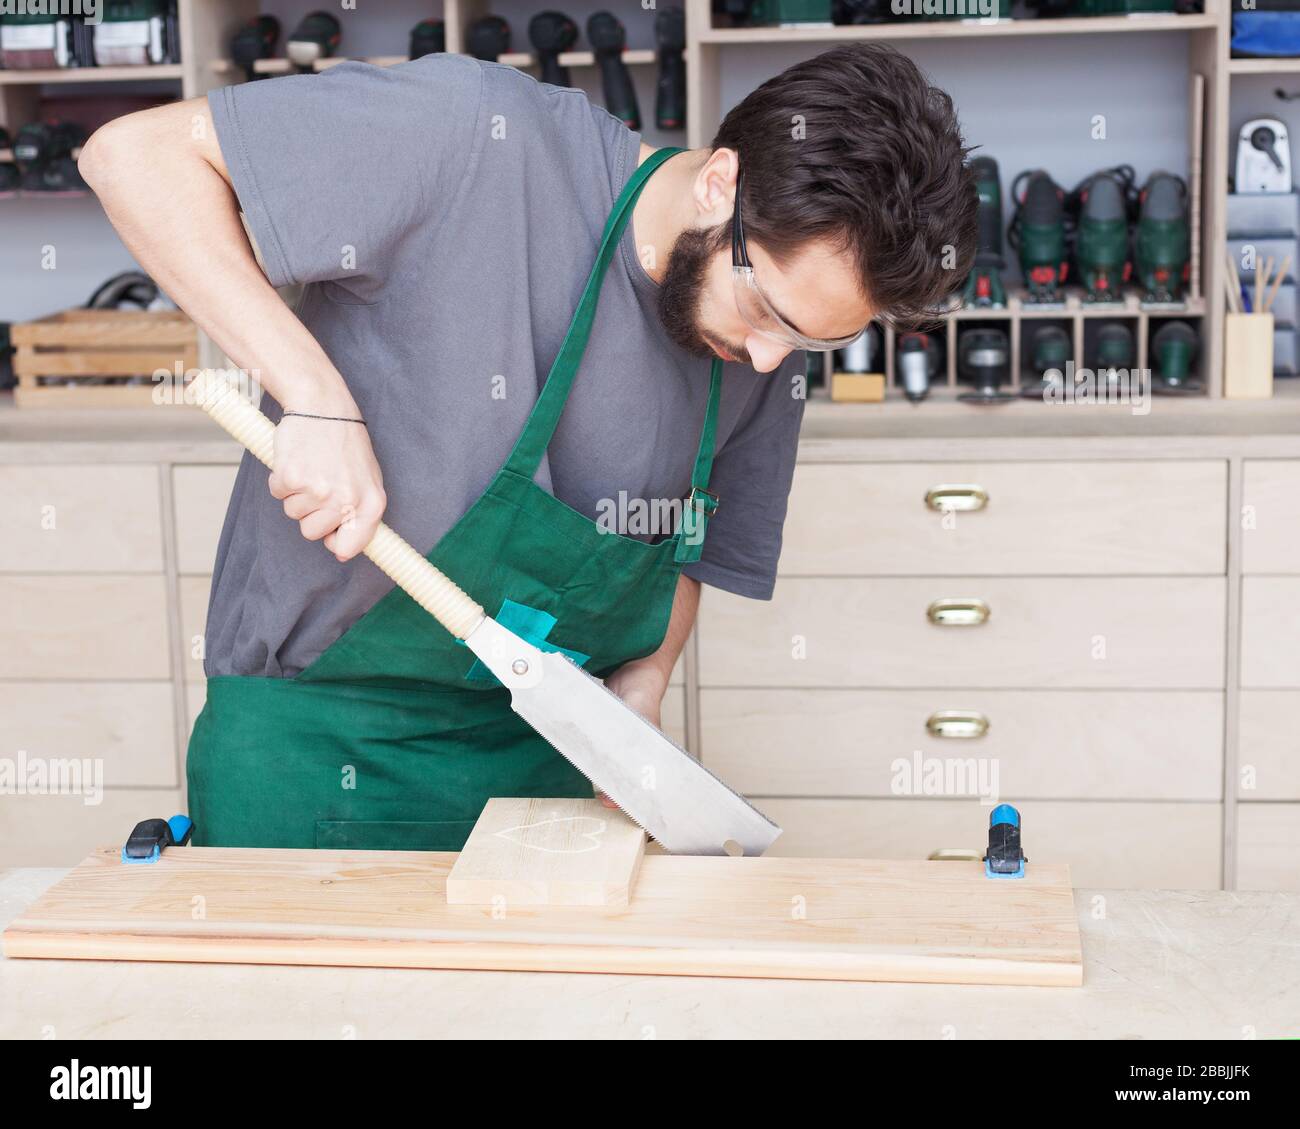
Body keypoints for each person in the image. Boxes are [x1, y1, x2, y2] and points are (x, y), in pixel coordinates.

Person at [78, 42, 977, 849]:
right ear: (720, 183)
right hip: (315, 749)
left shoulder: (768, 351)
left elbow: (689, 553)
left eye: (816, 340)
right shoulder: (473, 133)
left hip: (549, 769)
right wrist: (312, 397)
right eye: (767, 311)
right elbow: (135, 158)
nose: (773, 358)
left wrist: (640, 691)